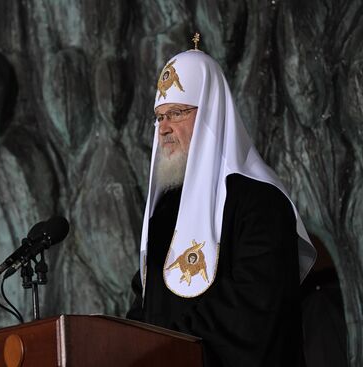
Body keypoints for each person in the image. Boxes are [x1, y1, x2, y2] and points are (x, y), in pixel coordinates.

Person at [126, 38, 317, 367]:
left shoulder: (260, 200)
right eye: (159, 117)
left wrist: (165, 347)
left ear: (211, 115)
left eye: (176, 113)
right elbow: (147, 300)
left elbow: (253, 310)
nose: (164, 129)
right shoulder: (164, 210)